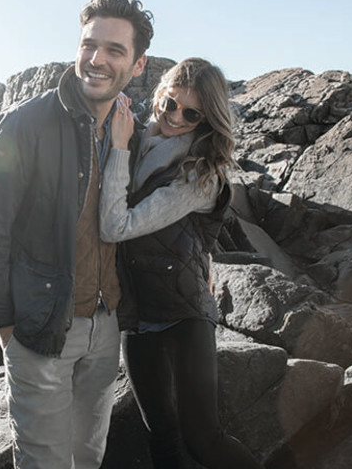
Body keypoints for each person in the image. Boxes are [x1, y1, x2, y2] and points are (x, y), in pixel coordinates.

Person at [0, 0, 154, 469]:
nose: (97, 59)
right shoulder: (22, 126)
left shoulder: (130, 129)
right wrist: (6, 327)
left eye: (114, 50)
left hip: (106, 326)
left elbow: (163, 202)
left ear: (136, 65)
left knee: (87, 458)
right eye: (89, 45)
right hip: (41, 328)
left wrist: (205, 254)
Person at [100, 58, 264, 469]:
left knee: (203, 439)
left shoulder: (200, 173)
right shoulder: (136, 138)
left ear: (206, 119)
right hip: (137, 312)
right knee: (160, 435)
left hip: (183, 312)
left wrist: (119, 148)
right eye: (170, 104)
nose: (175, 118)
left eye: (190, 114)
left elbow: (118, 224)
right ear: (159, 94)